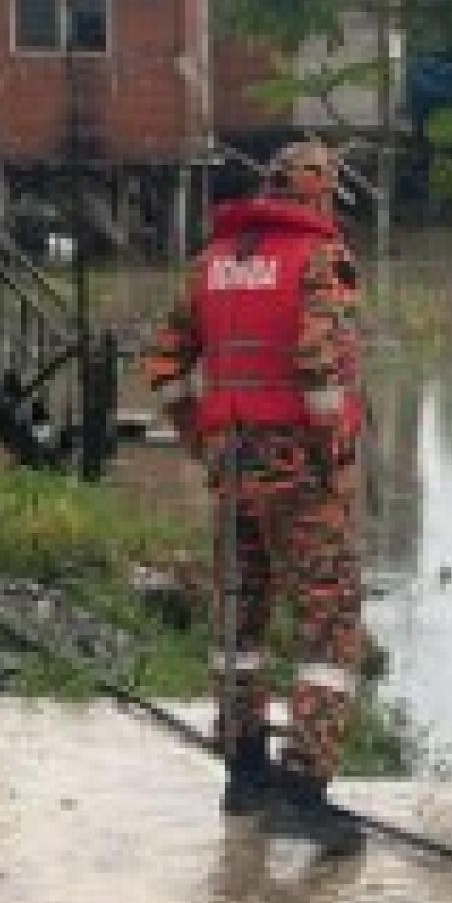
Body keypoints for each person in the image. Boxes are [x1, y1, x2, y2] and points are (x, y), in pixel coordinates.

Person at [144, 140, 366, 855]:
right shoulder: (316, 259)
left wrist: (196, 437)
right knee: (328, 623)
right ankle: (305, 790)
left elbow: (165, 365)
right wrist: (333, 451)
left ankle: (244, 771)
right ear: (319, 195)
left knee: (240, 612)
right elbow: (318, 361)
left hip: (231, 462)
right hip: (299, 466)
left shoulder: (211, 264)